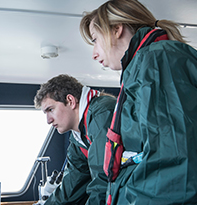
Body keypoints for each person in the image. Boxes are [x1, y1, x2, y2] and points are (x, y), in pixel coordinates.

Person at [80, 0, 197, 204]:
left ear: (116, 29)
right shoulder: (142, 67)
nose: (94, 54)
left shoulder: (157, 61)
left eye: (96, 40)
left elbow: (173, 165)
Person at [34, 74, 116, 205]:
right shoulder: (79, 138)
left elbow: (104, 181)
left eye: (51, 110)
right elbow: (70, 188)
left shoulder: (102, 113)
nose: (48, 120)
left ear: (70, 101)